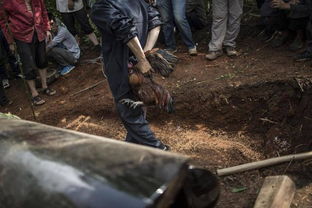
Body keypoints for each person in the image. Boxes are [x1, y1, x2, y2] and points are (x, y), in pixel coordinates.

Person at [91, 0, 169, 150]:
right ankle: (131, 148)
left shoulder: (101, 6)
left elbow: (125, 30)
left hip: (122, 67)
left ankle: (159, 149)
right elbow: (156, 23)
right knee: (138, 107)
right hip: (141, 66)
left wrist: (142, 58)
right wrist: (145, 55)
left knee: (130, 115)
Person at [0, 0, 56, 106]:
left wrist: (47, 28)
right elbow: (4, 22)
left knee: (42, 60)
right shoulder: (8, 2)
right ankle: (34, 94)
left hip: (38, 30)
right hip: (21, 35)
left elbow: (43, 11)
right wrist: (10, 41)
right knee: (28, 64)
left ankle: (45, 86)